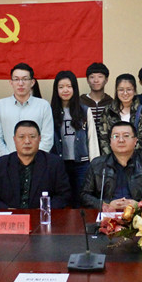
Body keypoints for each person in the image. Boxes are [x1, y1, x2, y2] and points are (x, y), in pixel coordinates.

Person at [0, 120, 71, 209]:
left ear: (39, 139)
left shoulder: (54, 163)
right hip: (10, 216)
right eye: (21, 137)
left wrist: (44, 209)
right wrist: (7, 210)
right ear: (14, 139)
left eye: (32, 137)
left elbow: (64, 195)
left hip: (41, 215)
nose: (27, 141)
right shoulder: (0, 164)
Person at [80, 121, 142, 210]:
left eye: (126, 136)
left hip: (139, 214)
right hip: (107, 214)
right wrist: (105, 205)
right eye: (116, 136)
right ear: (110, 142)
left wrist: (141, 204)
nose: (121, 140)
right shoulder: (97, 164)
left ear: (135, 141)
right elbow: (84, 195)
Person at [0, 63, 54, 156]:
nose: (20, 83)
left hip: (37, 160)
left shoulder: (43, 106)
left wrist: (34, 159)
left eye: (25, 79)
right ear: (11, 82)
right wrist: (8, 159)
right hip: (8, 160)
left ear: (32, 82)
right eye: (16, 79)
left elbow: (47, 138)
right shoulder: (0, 106)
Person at [50, 70, 91, 207]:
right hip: (59, 164)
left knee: (81, 200)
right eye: (61, 87)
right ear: (56, 90)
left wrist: (94, 163)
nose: (65, 90)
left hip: (82, 163)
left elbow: (92, 138)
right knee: (62, 200)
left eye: (69, 86)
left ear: (74, 88)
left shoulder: (85, 110)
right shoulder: (50, 111)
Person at [94, 73, 142, 158]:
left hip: (136, 160)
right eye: (121, 90)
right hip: (112, 161)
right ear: (116, 91)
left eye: (129, 89)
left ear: (134, 90)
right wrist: (113, 160)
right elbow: (104, 139)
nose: (125, 93)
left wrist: (129, 159)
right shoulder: (108, 111)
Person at [80, 62, 113, 148]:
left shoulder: (111, 103)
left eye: (100, 76)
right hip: (86, 147)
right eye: (92, 77)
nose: (96, 80)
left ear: (106, 80)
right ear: (87, 80)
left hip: (107, 148)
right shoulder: (80, 102)